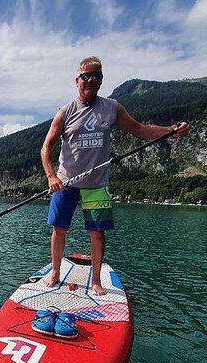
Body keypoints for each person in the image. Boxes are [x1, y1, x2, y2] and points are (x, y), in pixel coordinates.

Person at [39, 56, 189, 294]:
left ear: (101, 80)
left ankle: (96, 280)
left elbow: (139, 129)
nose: (91, 80)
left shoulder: (112, 107)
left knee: (97, 233)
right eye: (86, 76)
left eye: (96, 75)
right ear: (77, 80)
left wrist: (169, 131)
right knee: (59, 228)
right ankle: (55, 272)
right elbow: (46, 147)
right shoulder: (65, 112)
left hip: (97, 183)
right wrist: (51, 177)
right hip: (66, 181)